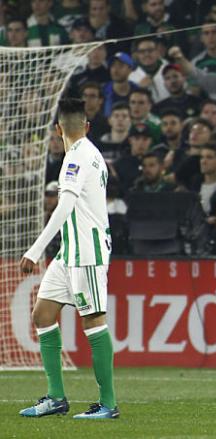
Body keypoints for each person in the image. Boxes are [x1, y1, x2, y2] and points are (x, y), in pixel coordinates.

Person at [19, 98, 118, 419]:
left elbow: (65, 206)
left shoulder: (76, 156)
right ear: (86, 126)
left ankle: (108, 404)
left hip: (86, 252)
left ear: (58, 129)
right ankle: (57, 398)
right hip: (69, 252)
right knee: (42, 314)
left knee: (93, 321)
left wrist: (34, 250)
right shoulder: (93, 154)